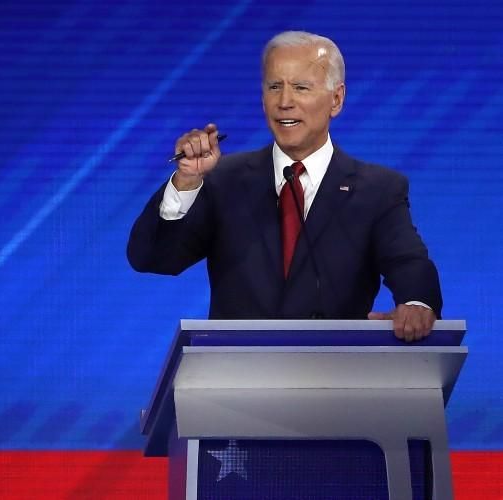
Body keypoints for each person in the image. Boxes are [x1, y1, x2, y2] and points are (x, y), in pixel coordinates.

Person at [127, 31, 441, 341]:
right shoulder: (225, 179)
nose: (285, 102)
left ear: (336, 99)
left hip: (333, 374)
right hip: (237, 376)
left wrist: (416, 303)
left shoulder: (377, 189)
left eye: (301, 87)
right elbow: (152, 258)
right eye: (274, 87)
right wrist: (187, 182)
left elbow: (408, 262)